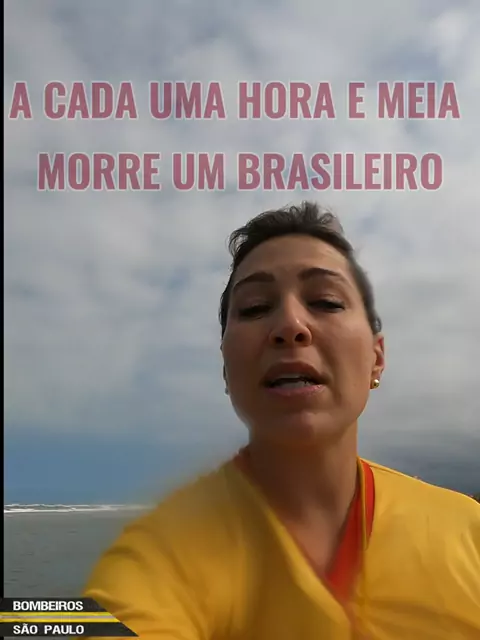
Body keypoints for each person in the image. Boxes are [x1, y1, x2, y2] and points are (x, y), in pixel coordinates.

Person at [83, 202, 480, 639]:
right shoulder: (158, 556)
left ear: (376, 357)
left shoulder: (468, 531)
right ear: (226, 370)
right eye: (255, 308)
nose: (290, 325)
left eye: (326, 301)